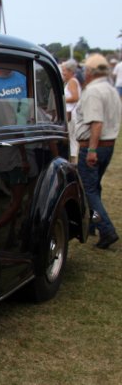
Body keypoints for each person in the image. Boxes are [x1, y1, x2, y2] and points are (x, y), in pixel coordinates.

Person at [72, 53, 121, 249]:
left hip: (93, 147)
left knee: (89, 190)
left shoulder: (93, 91)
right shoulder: (110, 89)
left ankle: (106, 229)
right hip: (107, 146)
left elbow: (97, 123)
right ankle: (92, 223)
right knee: (94, 188)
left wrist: (91, 149)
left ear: (90, 72)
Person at [60, 59, 81, 162]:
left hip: (72, 115)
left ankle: (73, 161)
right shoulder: (70, 81)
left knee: (72, 138)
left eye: (65, 70)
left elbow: (75, 97)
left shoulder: (72, 81)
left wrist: (61, 100)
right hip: (71, 114)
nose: (63, 73)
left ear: (70, 71)